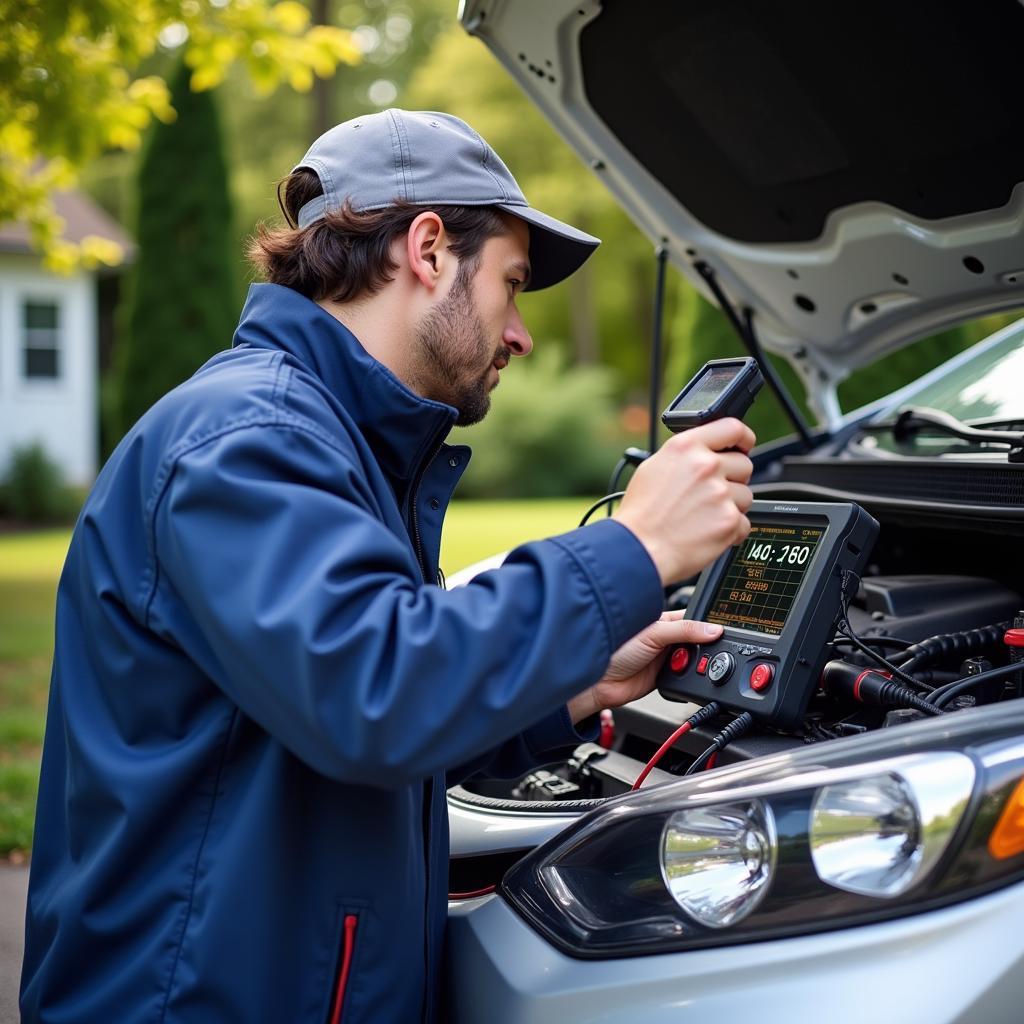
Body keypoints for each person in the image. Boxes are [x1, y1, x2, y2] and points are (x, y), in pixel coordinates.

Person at [20, 110, 754, 1023]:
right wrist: (635, 547)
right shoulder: (250, 441)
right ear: (430, 250)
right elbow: (378, 697)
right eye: (512, 285)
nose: (520, 333)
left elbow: (336, 715)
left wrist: (572, 690)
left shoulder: (330, 440)